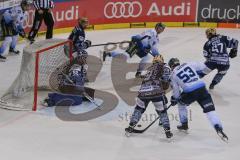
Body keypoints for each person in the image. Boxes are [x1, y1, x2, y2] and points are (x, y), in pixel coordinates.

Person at [168, 58, 228, 140]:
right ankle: (218, 127)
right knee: (210, 110)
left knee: (181, 104)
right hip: (201, 87)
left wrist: (175, 99)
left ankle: (184, 124)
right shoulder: (188, 63)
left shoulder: (173, 74)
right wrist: (196, 75)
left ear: (171, 66)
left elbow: (176, 92)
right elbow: (203, 66)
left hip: (190, 92)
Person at [125, 55, 173, 138]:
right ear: (162, 61)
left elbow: (144, 77)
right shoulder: (165, 66)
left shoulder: (149, 69)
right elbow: (165, 81)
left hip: (143, 92)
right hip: (156, 92)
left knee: (138, 109)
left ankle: (130, 127)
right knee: (162, 111)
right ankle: (167, 131)